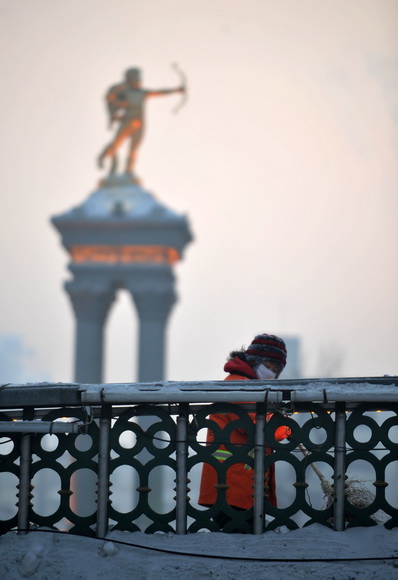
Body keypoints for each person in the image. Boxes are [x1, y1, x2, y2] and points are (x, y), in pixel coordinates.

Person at [198, 333, 290, 532]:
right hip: (231, 483)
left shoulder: (248, 385)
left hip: (239, 482)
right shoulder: (238, 384)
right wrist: (284, 428)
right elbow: (253, 427)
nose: (271, 373)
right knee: (237, 542)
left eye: (276, 370)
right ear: (255, 361)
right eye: (268, 366)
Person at [98, 67, 185, 174]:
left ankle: (128, 171)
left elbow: (160, 92)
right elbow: (110, 99)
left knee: (133, 149)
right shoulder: (125, 92)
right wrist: (116, 106)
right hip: (127, 121)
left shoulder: (142, 93)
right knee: (116, 144)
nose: (139, 79)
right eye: (136, 77)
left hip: (139, 123)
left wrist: (176, 90)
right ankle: (103, 157)